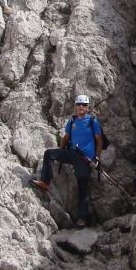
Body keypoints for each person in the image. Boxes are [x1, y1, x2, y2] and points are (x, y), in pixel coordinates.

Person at [30, 94, 104, 226]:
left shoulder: (92, 121)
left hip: (85, 159)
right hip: (72, 153)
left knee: (83, 187)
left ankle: (83, 218)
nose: (81, 107)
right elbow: (66, 137)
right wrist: (61, 150)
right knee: (49, 153)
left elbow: (99, 140)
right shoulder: (72, 121)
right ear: (75, 106)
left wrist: (96, 157)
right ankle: (45, 182)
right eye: (79, 104)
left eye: (84, 105)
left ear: (87, 107)